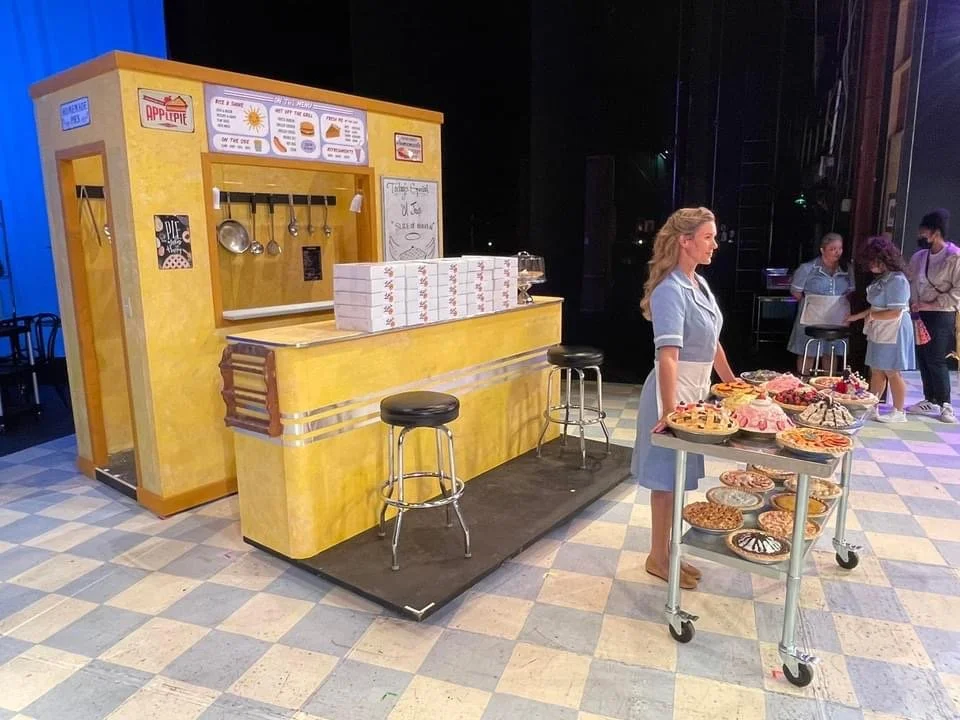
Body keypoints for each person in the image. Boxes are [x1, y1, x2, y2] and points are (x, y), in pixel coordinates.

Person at [631, 207, 736, 590]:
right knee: (665, 482)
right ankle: (657, 557)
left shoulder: (699, 284)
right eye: (708, 237)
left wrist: (732, 385)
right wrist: (672, 411)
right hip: (670, 397)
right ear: (685, 241)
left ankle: (670, 551)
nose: (715, 244)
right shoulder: (670, 291)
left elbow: (712, 344)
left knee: (678, 481)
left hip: (694, 396)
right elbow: (668, 356)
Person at [846, 236, 915, 422]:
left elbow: (894, 312)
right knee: (876, 369)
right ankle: (872, 407)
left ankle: (899, 412)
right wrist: (855, 317)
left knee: (892, 371)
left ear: (884, 259)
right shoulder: (882, 279)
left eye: (872, 261)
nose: (870, 266)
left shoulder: (898, 280)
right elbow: (875, 307)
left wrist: (870, 317)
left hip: (894, 330)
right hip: (879, 329)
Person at [906, 209, 960, 423]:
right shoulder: (919, 256)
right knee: (923, 356)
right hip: (920, 313)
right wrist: (914, 304)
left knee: (937, 358)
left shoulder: (954, 257)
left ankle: (946, 403)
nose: (921, 237)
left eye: (924, 233)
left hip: (941, 314)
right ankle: (930, 399)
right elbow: (912, 282)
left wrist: (932, 303)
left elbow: (957, 291)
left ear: (936, 233)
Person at [787, 233, 854, 374]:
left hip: (836, 316)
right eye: (833, 249)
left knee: (831, 352)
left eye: (840, 248)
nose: (837, 252)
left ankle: (828, 384)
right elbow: (796, 291)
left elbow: (850, 291)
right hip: (811, 315)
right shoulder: (807, 268)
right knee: (809, 352)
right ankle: (803, 383)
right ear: (822, 249)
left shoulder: (847, 269)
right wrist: (814, 303)